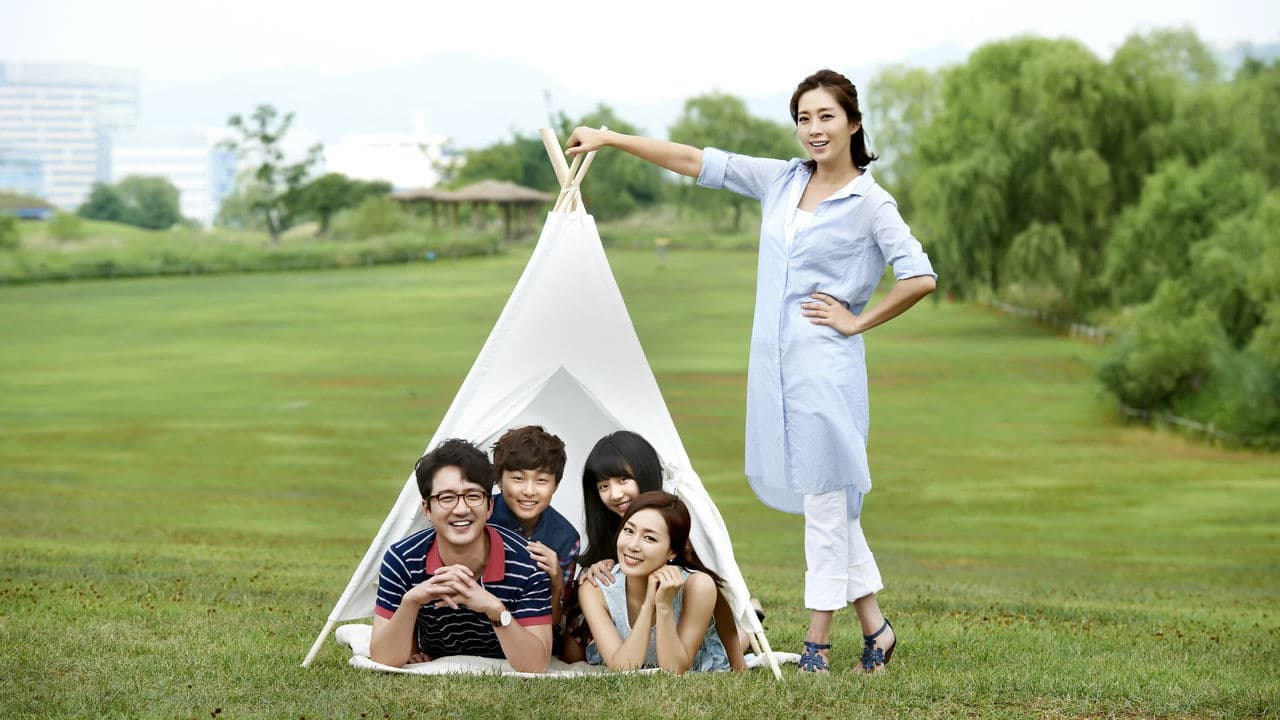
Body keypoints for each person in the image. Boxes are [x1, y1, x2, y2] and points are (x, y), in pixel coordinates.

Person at [566, 68, 937, 674]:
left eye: (826, 116)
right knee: (832, 503)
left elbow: (919, 275)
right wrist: (610, 139)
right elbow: (694, 160)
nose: (814, 129)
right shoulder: (782, 180)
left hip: (825, 376)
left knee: (826, 507)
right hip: (774, 375)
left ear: (853, 123)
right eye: (804, 118)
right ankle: (877, 628)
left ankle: (817, 643)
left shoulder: (871, 203)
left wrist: (856, 321)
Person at [565, 430, 750, 670]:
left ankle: (750, 622)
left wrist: (737, 660)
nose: (615, 494)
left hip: (682, 611)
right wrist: (595, 567)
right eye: (603, 486)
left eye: (623, 480)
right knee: (572, 652)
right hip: (625, 607)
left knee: (724, 635)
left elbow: (717, 592)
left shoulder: (679, 521)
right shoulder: (609, 523)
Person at [369, 438, 553, 672]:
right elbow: (383, 659)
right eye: (447, 498)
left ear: (489, 506)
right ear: (427, 509)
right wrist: (411, 601)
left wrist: (494, 609)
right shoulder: (402, 559)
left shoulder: (528, 562)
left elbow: (536, 665)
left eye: (473, 496)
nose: (461, 509)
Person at [579, 491, 730, 674]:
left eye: (649, 538)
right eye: (629, 530)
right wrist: (649, 604)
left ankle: (753, 613)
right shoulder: (595, 588)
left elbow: (675, 669)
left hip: (696, 654)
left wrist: (664, 607)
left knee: (739, 638)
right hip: (624, 654)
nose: (632, 545)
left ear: (672, 551)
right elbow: (622, 668)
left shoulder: (698, 585)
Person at [486, 425, 580, 652]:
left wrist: (556, 580)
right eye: (518, 478)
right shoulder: (481, 516)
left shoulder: (565, 538)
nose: (529, 491)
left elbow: (554, 619)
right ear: (499, 480)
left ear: (556, 485)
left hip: (530, 634)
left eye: (542, 480)